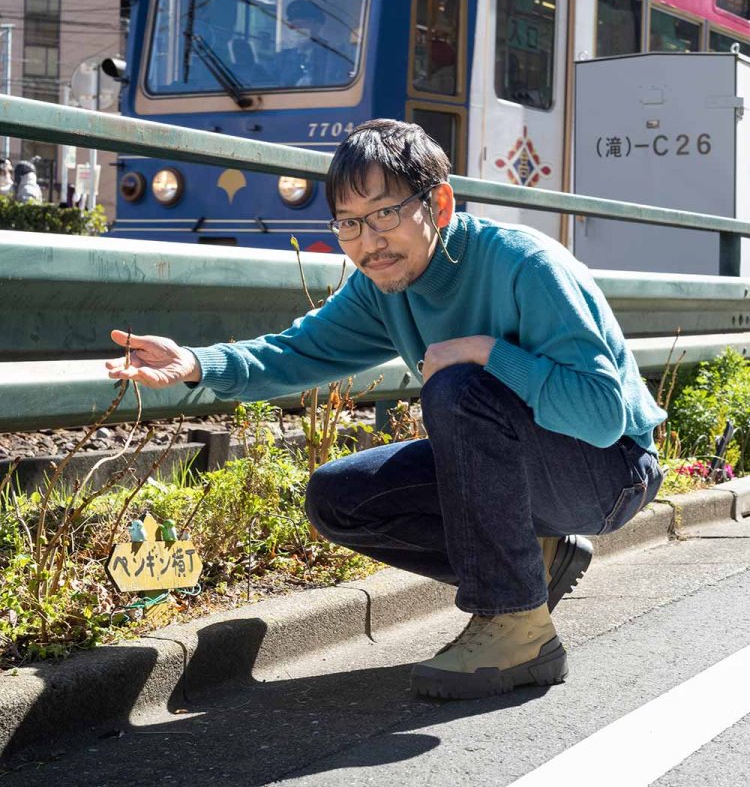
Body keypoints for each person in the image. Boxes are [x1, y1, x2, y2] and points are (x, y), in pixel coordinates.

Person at [107, 119, 665, 701]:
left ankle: (517, 627)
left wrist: (486, 352)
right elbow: (296, 350)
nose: (368, 242)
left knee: (458, 387)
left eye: (384, 215)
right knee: (341, 499)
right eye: (348, 223)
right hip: (537, 475)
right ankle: (535, 562)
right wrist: (195, 363)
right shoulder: (382, 285)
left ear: (440, 203)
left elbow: (603, 415)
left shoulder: (525, 265)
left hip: (611, 475)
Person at [278, 0, 355, 87]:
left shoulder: (336, 55)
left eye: (301, 25)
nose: (295, 29)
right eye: (292, 26)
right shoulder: (282, 57)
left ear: (317, 25)